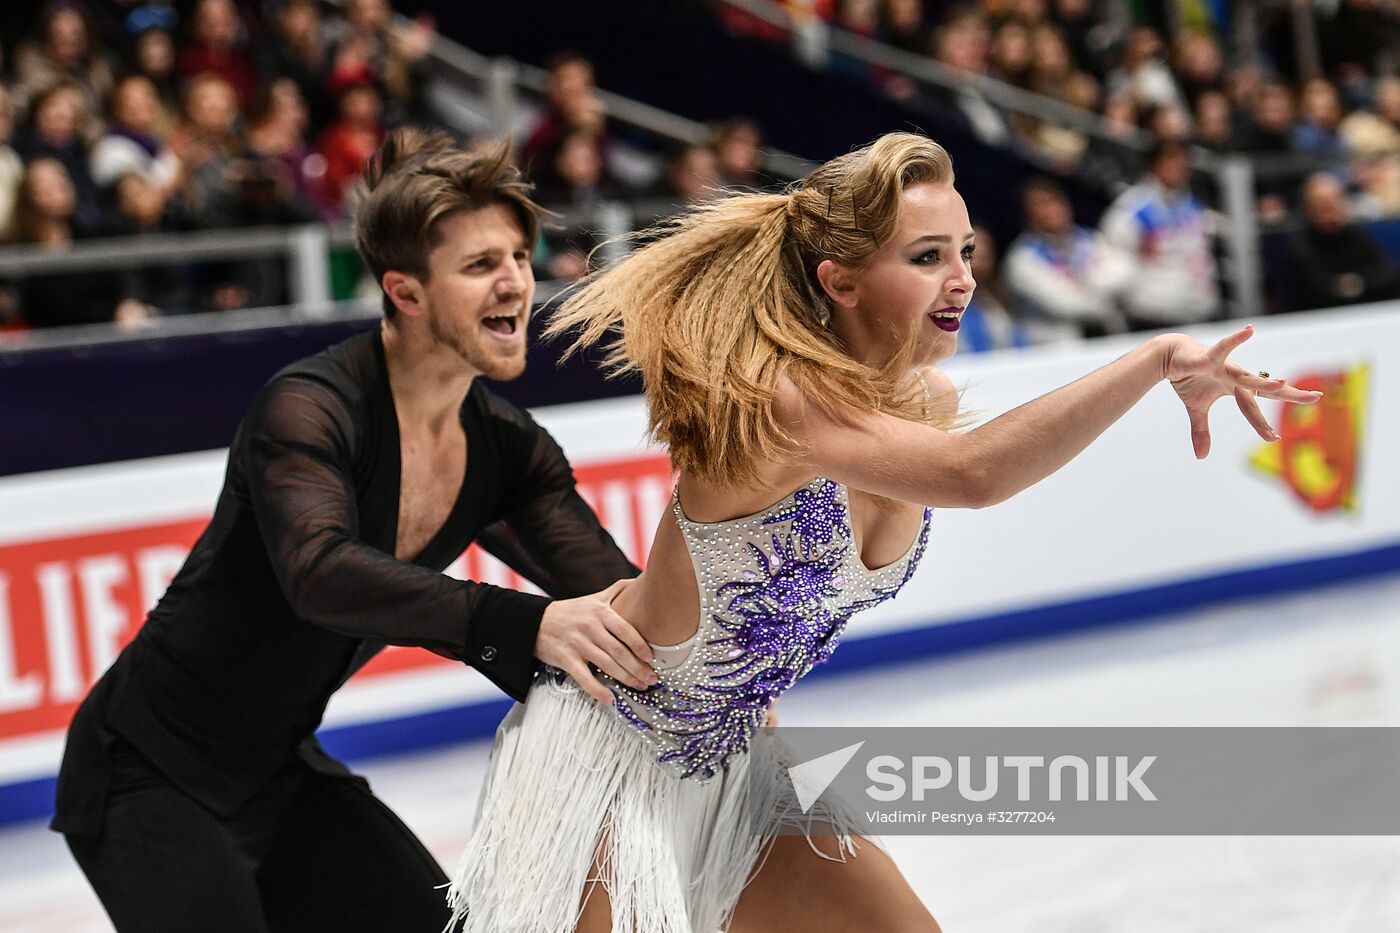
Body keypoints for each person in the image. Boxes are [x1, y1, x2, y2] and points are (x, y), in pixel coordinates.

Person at [444, 132, 1322, 931]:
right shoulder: (781, 400)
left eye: (967, 252)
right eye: (928, 256)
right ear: (841, 279)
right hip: (611, 758)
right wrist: (1155, 358)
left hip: (740, 761)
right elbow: (975, 475)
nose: (963, 279)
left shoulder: (925, 402)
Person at [51, 129, 655, 932]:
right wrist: (519, 624)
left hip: (280, 771)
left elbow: (615, 597)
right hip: (146, 769)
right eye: (481, 266)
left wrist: (712, 668)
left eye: (517, 255)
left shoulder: (507, 447)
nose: (515, 282)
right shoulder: (309, 407)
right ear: (405, 292)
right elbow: (320, 572)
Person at [1099, 138, 1220, 331]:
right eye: (1171, 159)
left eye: (1183, 160)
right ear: (1154, 164)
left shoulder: (1193, 205)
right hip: (1155, 319)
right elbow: (1112, 262)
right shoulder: (1133, 208)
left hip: (1199, 313)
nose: (1179, 165)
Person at [1003, 177, 1131, 342]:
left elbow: (1126, 273)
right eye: (1041, 205)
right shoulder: (1022, 258)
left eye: (1055, 202)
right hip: (1056, 348)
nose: (1052, 210)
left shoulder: (1091, 240)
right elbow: (1064, 304)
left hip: (1108, 335)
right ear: (1027, 213)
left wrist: (1087, 285)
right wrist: (1101, 291)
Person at [1286, 171, 1400, 311]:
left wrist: (1359, 282)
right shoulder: (1300, 245)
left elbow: (1388, 272)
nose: (1330, 213)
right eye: (1323, 206)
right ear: (1309, 209)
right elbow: (1312, 289)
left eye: (1334, 204)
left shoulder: (1356, 235)